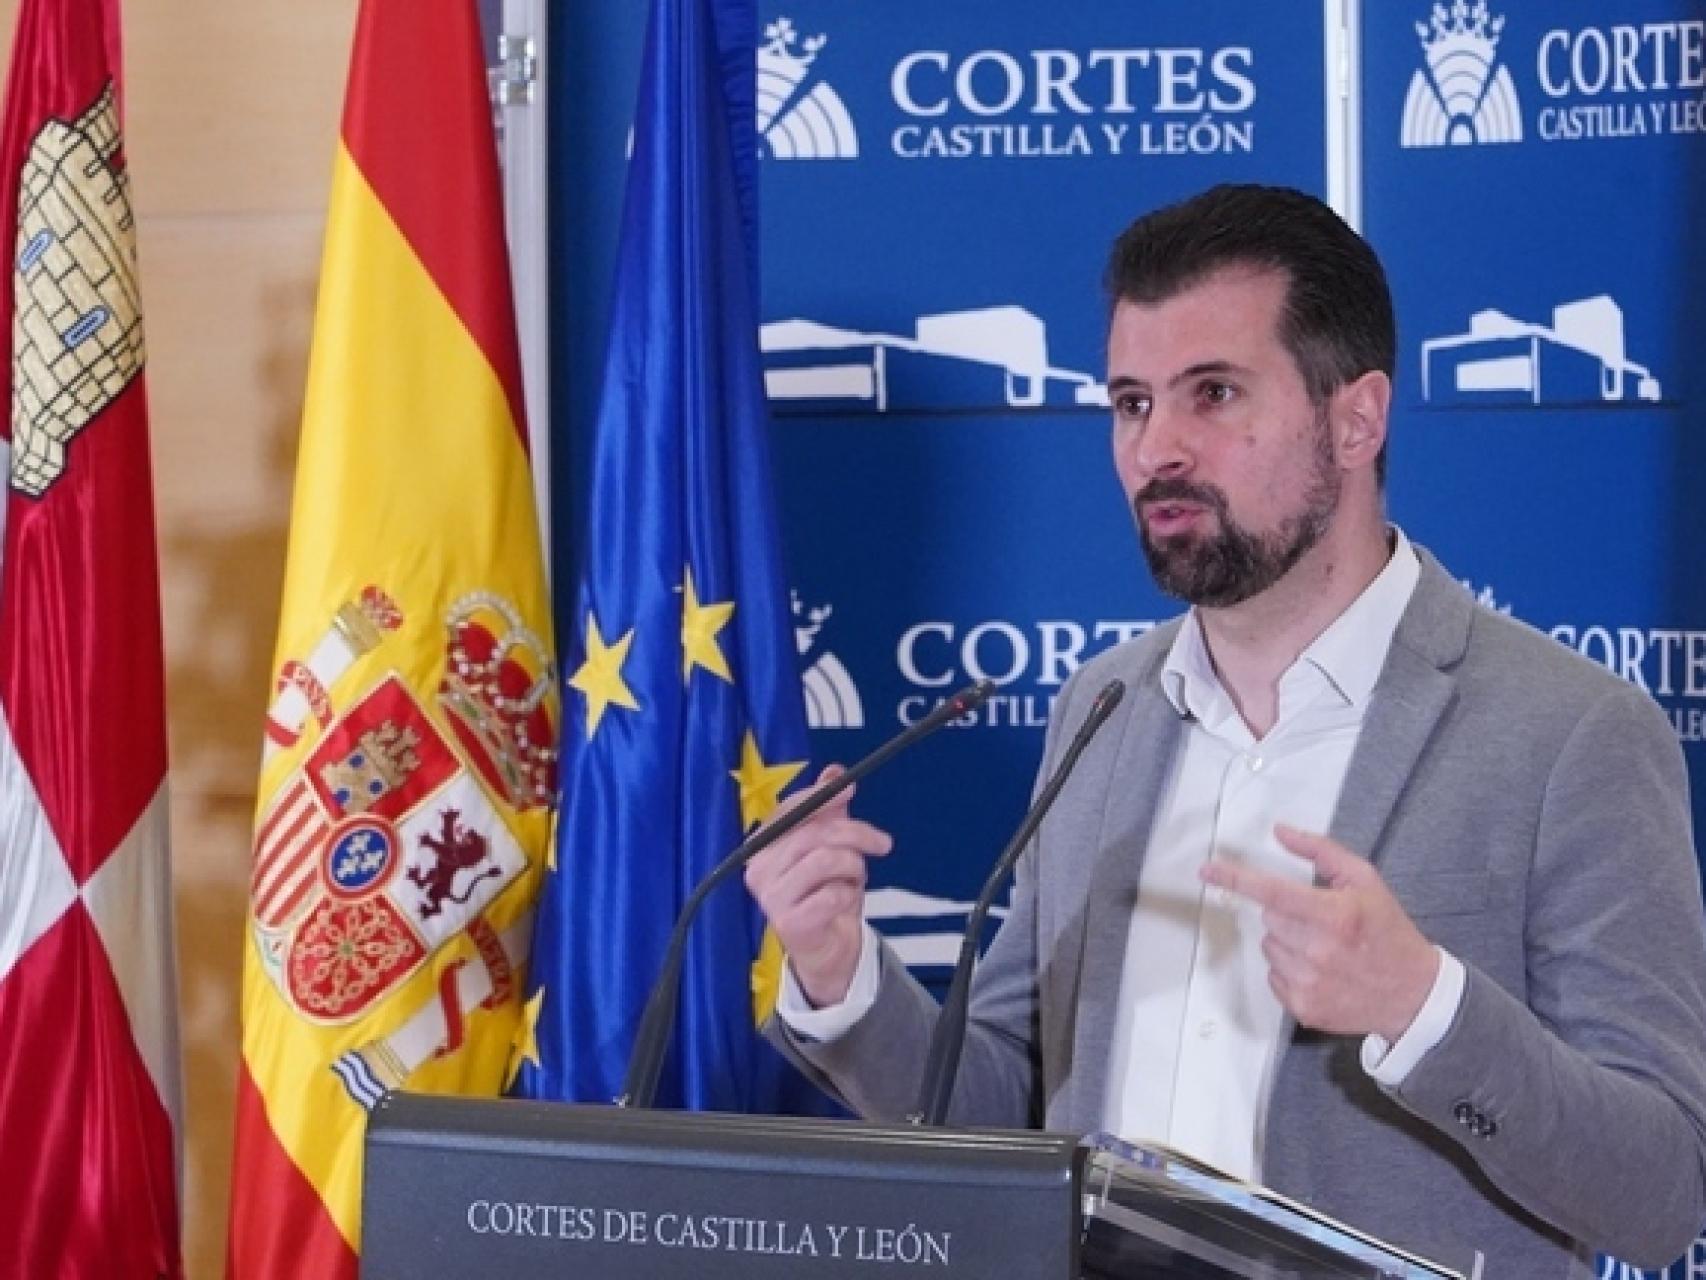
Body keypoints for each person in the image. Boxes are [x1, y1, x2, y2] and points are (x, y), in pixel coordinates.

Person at [745, 184, 1706, 1278]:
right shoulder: (1098, 710)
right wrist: (839, 972)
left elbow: (1661, 1191)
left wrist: (1418, 1004)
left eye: (1211, 393)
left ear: (1354, 417)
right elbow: (1005, 1107)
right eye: (1128, 402)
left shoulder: (1570, 733)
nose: (1156, 448)